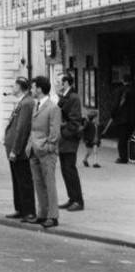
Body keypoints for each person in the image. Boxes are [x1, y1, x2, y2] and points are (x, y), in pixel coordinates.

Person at [26, 76, 62, 228]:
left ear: (39, 89)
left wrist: (48, 147)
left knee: (49, 184)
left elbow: (55, 132)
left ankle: (53, 216)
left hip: (46, 152)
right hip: (34, 150)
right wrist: (30, 146)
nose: (32, 90)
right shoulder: (36, 105)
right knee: (38, 183)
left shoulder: (53, 107)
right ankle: (42, 213)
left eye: (33, 88)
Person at [3, 76, 35, 221]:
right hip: (14, 149)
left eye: (14, 85)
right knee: (17, 180)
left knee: (24, 181)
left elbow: (22, 129)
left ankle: (28, 211)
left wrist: (15, 150)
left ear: (20, 87)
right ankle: (20, 208)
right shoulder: (22, 101)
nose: (12, 88)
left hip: (20, 151)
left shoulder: (27, 103)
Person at [57, 73, 85, 212]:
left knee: (70, 169)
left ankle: (78, 200)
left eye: (59, 81)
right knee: (65, 170)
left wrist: (63, 133)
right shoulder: (64, 97)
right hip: (63, 140)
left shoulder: (73, 98)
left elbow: (74, 121)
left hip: (69, 139)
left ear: (66, 83)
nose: (57, 84)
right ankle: (71, 198)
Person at [111, 72, 135, 164]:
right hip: (133, 119)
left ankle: (123, 158)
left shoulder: (120, 91)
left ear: (123, 80)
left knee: (122, 139)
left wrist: (113, 114)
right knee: (131, 138)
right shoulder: (133, 90)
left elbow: (116, 104)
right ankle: (132, 156)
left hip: (122, 119)